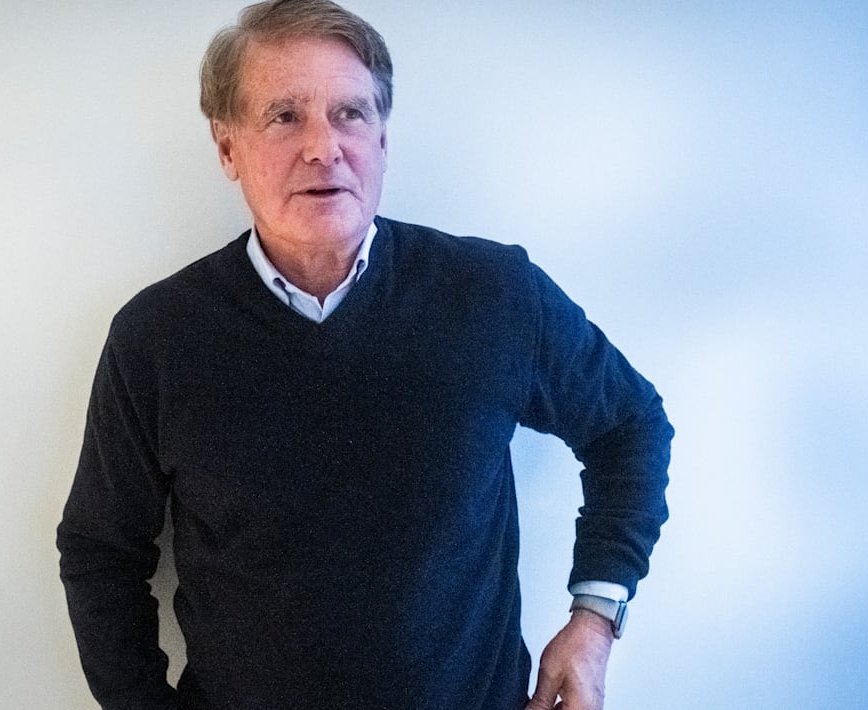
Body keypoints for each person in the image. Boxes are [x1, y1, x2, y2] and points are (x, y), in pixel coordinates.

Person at [56, 1, 672, 708]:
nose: (324, 147)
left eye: (350, 113)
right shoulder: (157, 338)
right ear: (227, 147)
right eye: (285, 116)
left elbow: (630, 426)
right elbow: (101, 552)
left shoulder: (493, 295)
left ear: (382, 138)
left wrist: (595, 618)